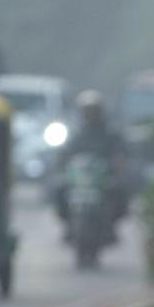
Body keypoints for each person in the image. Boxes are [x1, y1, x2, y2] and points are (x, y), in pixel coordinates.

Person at [55, 90, 129, 239]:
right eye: (87, 111)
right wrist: (62, 162)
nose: (90, 114)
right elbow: (65, 152)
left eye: (93, 111)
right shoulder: (76, 133)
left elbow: (120, 152)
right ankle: (68, 223)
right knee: (59, 188)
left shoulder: (110, 133)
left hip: (102, 178)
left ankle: (111, 225)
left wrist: (117, 163)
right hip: (79, 178)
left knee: (119, 189)